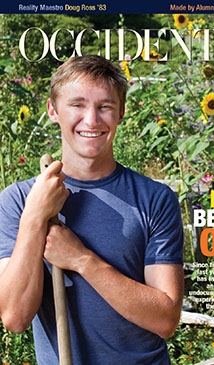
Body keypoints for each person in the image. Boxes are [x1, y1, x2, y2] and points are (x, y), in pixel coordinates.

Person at [0, 55, 184, 364]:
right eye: (77, 105)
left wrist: (81, 259)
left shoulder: (155, 199)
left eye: (105, 106)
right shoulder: (18, 200)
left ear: (121, 113)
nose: (92, 120)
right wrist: (34, 216)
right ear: (52, 110)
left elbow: (165, 320)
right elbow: (15, 317)